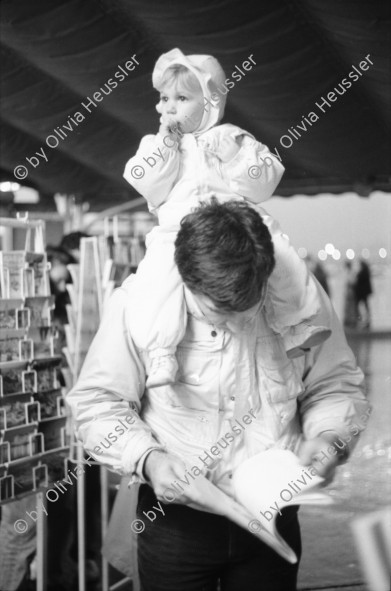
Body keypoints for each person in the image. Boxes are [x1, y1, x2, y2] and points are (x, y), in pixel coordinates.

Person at [67, 199, 369, 591]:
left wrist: (329, 436)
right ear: (188, 279)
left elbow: (335, 383)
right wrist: (148, 459)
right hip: (176, 523)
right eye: (216, 312)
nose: (236, 323)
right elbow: (96, 403)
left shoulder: (301, 303)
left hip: (275, 516)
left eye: (247, 307)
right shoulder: (137, 306)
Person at [122, 47, 330, 388]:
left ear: (210, 102)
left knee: (278, 253)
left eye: (182, 97)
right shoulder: (155, 145)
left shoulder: (233, 137)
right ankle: (160, 351)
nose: (170, 106)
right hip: (178, 231)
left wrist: (235, 156)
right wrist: (164, 148)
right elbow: (145, 183)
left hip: (236, 228)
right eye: (164, 97)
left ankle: (297, 324)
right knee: (155, 280)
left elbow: (263, 184)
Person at [354, 259, 372, 328]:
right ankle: (366, 317)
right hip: (364, 293)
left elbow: (358, 281)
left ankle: (360, 317)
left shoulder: (362, 272)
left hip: (361, 293)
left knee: (358, 305)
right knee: (365, 305)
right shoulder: (366, 272)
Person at [343, 260, 358, 329]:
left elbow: (352, 282)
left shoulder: (351, 272)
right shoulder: (349, 272)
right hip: (349, 292)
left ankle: (352, 321)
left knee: (351, 307)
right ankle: (348, 320)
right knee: (348, 307)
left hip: (351, 292)